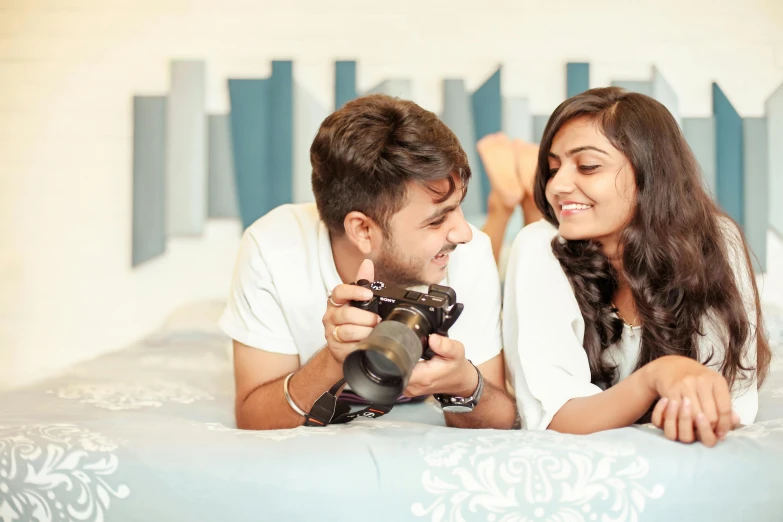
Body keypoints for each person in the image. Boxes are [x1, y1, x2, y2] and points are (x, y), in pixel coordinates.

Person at [220, 94, 517, 431]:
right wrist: (332, 360)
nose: (463, 233)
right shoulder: (274, 249)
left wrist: (465, 384)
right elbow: (253, 417)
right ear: (362, 230)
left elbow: (500, 422)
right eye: (437, 221)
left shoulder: (470, 252)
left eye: (459, 205)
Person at [502, 87, 771, 447]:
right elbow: (555, 418)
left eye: (588, 166)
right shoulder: (539, 246)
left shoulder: (716, 242)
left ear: (649, 173)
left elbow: (727, 405)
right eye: (553, 169)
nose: (558, 186)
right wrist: (657, 377)